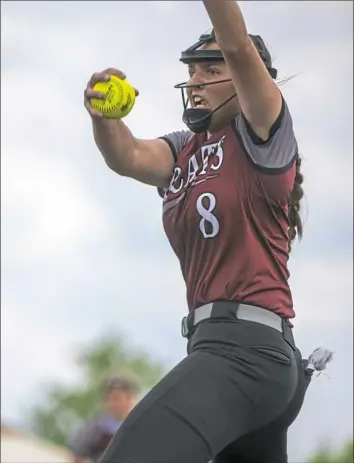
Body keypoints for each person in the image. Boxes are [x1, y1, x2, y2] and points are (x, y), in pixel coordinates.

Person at [84, 1, 333, 462]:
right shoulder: (186, 149)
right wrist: (104, 117)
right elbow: (128, 157)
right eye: (192, 71)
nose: (195, 81)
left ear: (245, 77)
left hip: (245, 353)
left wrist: (230, 41)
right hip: (234, 352)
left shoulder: (262, 131)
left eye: (209, 69)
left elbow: (237, 43)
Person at [68, 375, 139, 463]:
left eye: (116, 398)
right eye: (108, 399)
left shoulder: (139, 431)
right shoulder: (95, 428)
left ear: (129, 398)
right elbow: (76, 455)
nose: (111, 403)